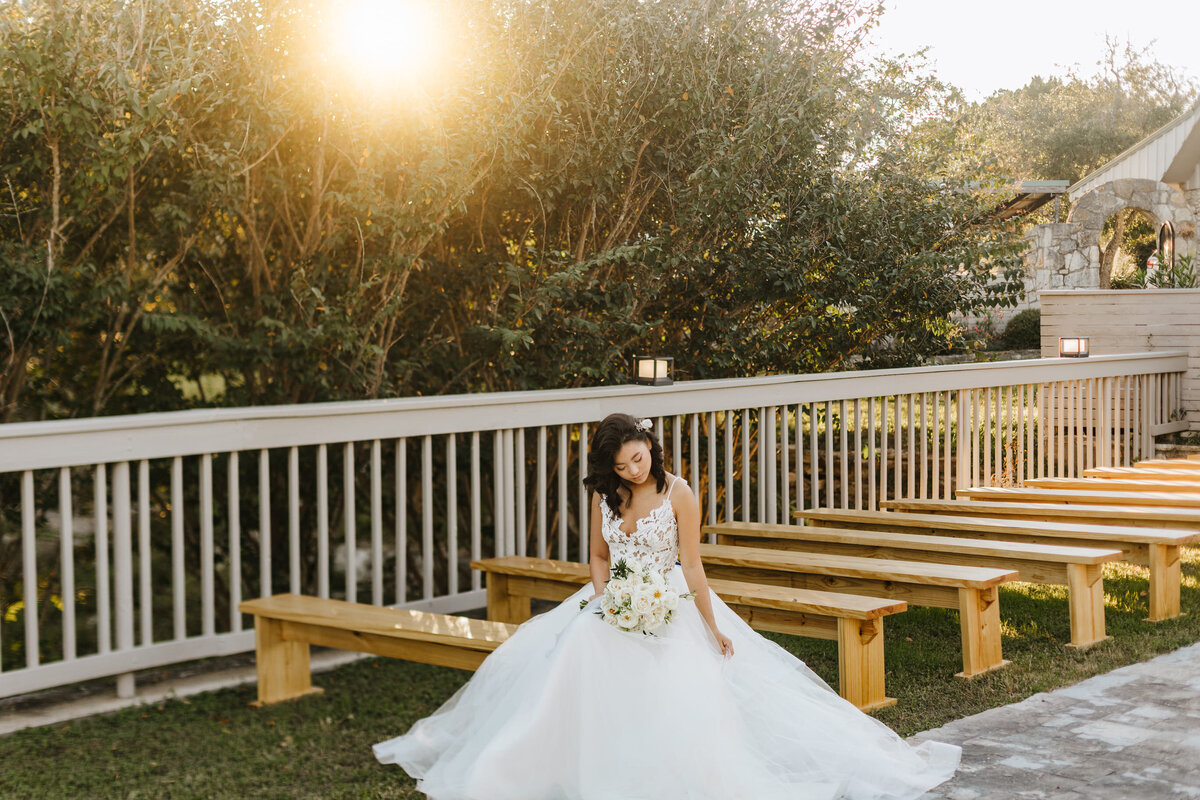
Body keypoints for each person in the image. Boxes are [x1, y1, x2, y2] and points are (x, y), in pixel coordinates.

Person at [374, 412, 960, 799]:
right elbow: (599, 558)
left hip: (671, 602)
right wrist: (605, 602)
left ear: (651, 446)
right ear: (610, 467)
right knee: (566, 669)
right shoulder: (610, 495)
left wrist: (712, 627)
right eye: (624, 463)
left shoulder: (679, 492)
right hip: (612, 604)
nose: (636, 468)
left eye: (641, 456)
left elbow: (693, 564)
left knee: (683, 697)